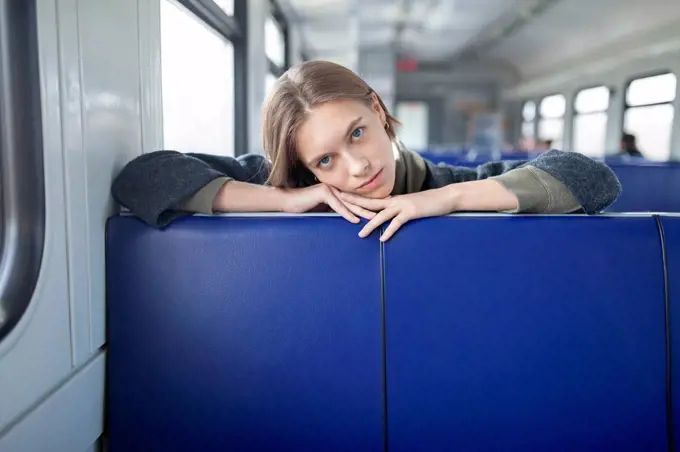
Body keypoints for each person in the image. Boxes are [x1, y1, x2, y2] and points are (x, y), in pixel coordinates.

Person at [112, 60, 622, 242]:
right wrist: (286, 200)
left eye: (356, 132)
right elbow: (141, 176)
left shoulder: (449, 184)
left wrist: (441, 201)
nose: (358, 168)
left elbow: (592, 178)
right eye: (325, 160)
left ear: (377, 109)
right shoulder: (277, 183)